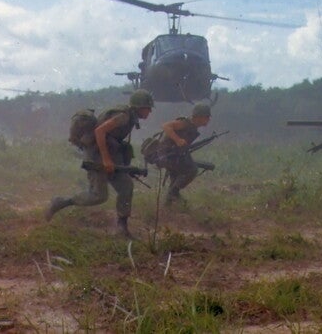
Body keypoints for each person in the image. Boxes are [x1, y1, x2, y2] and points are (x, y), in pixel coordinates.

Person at [45, 89, 154, 239]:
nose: (149, 112)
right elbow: (100, 131)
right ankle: (60, 202)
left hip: (109, 153)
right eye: (148, 108)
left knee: (126, 186)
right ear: (140, 107)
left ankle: (122, 228)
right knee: (98, 196)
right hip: (97, 154)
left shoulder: (128, 116)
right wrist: (106, 159)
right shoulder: (123, 116)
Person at [158, 103, 212, 206]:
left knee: (176, 177)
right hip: (167, 155)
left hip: (174, 155)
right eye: (207, 117)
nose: (208, 119)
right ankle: (173, 194)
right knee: (192, 170)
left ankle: (168, 204)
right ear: (199, 117)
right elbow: (166, 126)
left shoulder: (192, 127)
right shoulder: (185, 123)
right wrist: (178, 140)